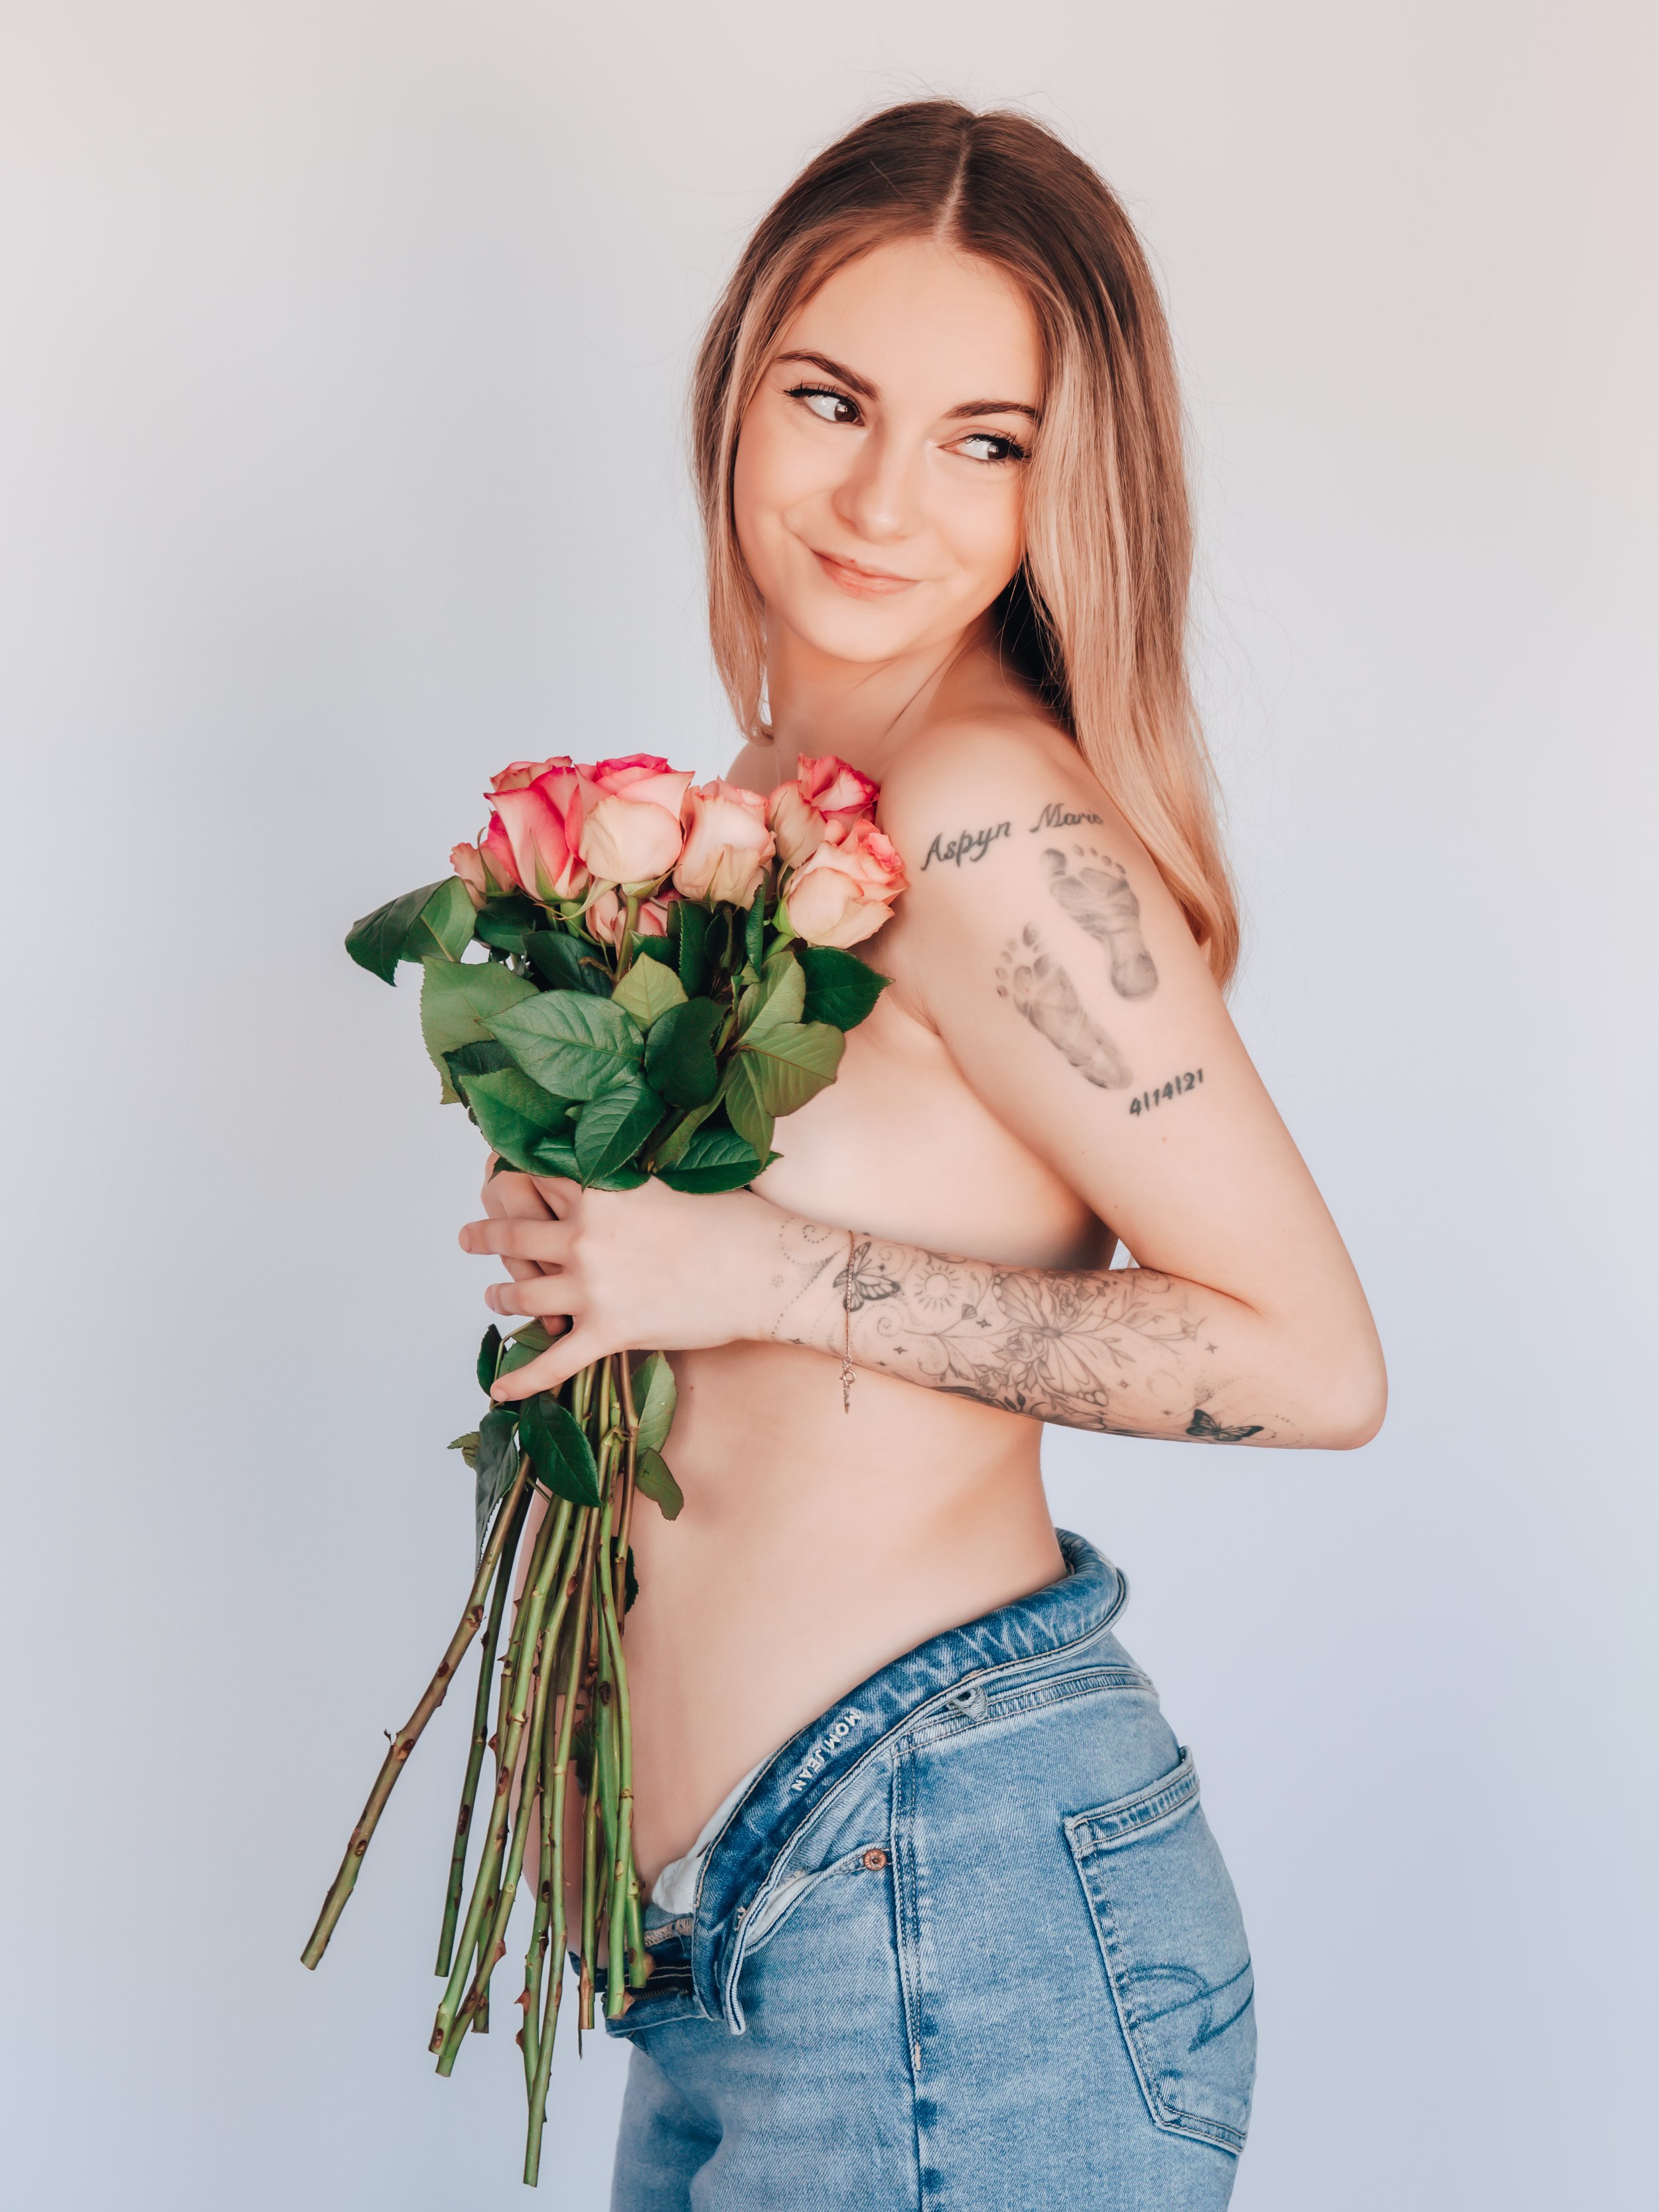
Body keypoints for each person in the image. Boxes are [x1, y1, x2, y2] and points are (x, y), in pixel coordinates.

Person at [459, 99, 1385, 2212]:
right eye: (831, 399)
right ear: (733, 385)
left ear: (1075, 482)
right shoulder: (785, 784)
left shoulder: (979, 815)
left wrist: (762, 1274)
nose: (884, 498)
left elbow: (1313, 1363)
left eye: (986, 438)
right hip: (763, 1933)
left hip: (938, 1900)